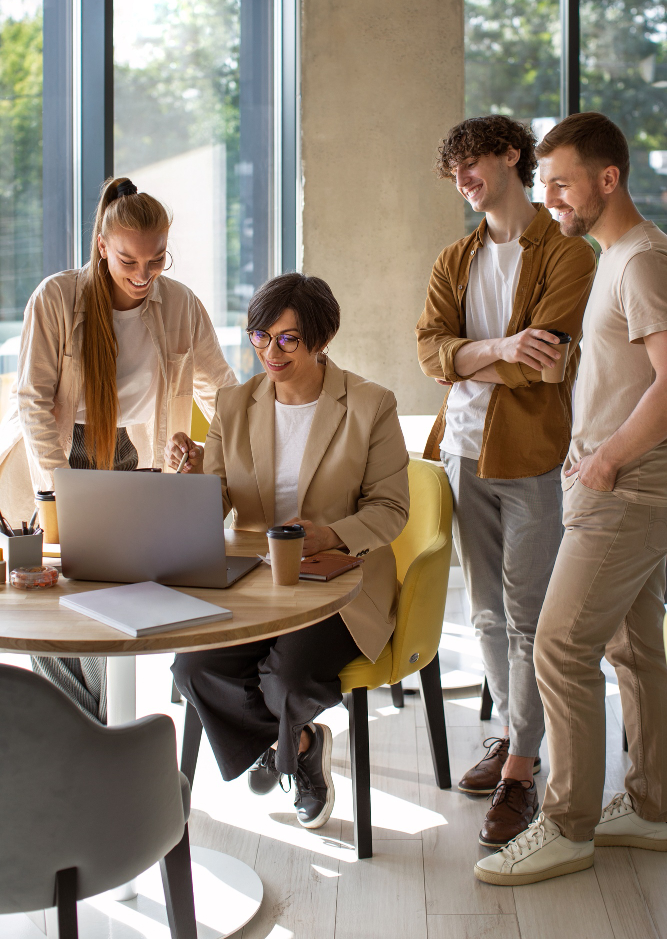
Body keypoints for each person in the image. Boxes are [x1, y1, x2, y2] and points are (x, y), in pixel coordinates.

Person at [476, 112, 667, 886]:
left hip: (622, 484)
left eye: (559, 183)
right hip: (612, 476)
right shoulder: (611, 256)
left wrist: (604, 461)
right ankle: (652, 805)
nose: (548, 198)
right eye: (543, 183)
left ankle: (565, 825)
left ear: (606, 178)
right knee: (633, 645)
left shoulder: (640, 261)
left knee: (557, 646)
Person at [170, 272, 409, 829]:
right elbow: (219, 500)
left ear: (320, 340)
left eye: (287, 340)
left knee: (289, 678)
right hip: (254, 581)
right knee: (193, 667)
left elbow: (391, 510)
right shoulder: (233, 404)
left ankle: (281, 746)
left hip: (339, 584)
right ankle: (298, 745)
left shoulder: (370, 405)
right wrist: (188, 482)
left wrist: (326, 534)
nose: (269, 353)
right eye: (259, 336)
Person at [416, 115, 596, 847]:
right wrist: (493, 347)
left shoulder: (567, 255)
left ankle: (521, 765)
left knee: (528, 618)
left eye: (472, 162)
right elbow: (428, 353)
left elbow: (543, 362)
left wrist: (473, 358)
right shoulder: (452, 259)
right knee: (484, 615)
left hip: (530, 459)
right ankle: (513, 736)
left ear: (509, 156)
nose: (462, 179)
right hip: (460, 452)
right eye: (453, 169)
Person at [0, 176, 236, 722]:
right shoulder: (56, 298)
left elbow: (222, 391)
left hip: (136, 457)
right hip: (61, 457)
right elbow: (32, 399)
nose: (142, 276)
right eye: (129, 261)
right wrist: (56, 488)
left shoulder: (179, 304)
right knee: (56, 609)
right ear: (103, 245)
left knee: (112, 604)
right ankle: (90, 734)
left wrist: (207, 452)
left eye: (156, 261)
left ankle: (89, 739)